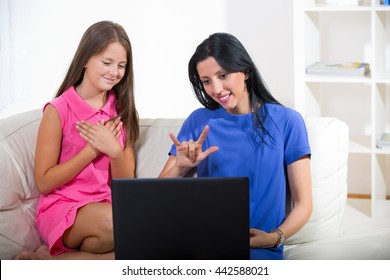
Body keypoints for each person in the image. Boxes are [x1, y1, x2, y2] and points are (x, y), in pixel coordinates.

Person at [159, 32, 313, 260]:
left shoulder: (287, 121)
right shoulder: (198, 121)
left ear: (246, 71)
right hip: (199, 247)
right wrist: (181, 168)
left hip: (256, 252)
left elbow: (304, 203)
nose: (217, 89)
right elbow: (156, 194)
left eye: (223, 75)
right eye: (207, 81)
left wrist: (274, 238)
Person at [14, 21, 138, 260]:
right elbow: (44, 182)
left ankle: (48, 262)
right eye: (106, 62)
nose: (114, 72)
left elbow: (126, 184)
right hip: (64, 207)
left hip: (104, 207)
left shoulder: (122, 111)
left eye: (121, 65)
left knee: (134, 241)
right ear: (85, 59)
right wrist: (90, 152)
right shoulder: (58, 110)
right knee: (119, 224)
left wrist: (115, 152)